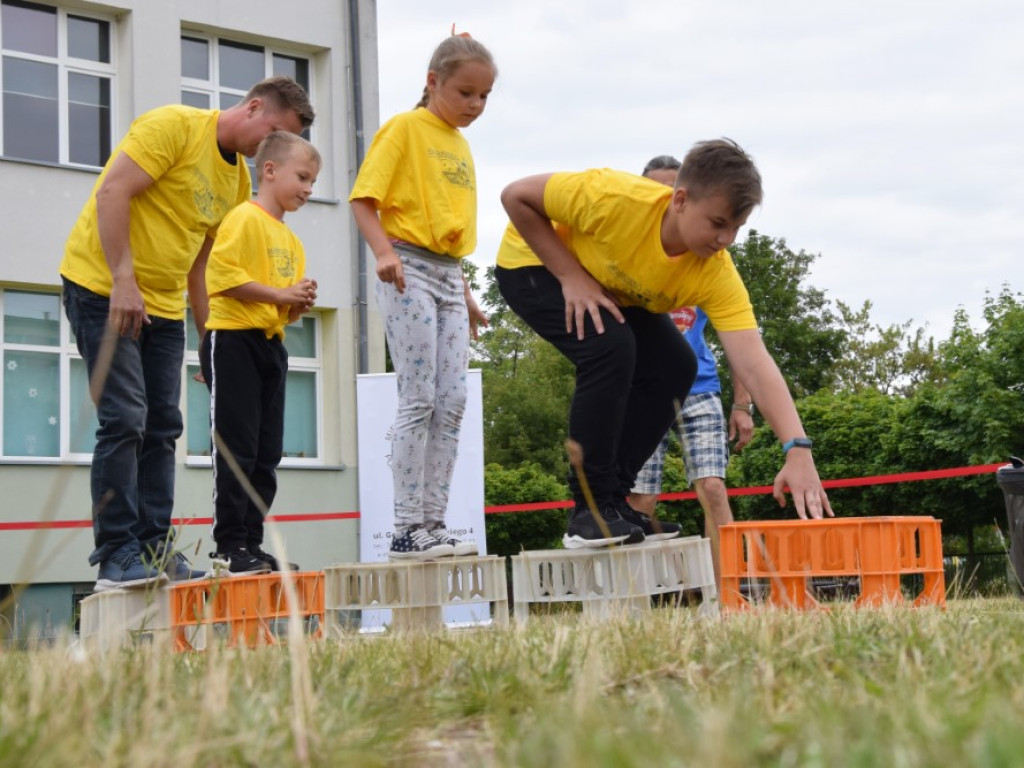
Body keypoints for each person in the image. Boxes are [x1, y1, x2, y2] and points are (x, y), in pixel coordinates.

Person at [495, 138, 832, 550]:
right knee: (612, 347)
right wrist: (569, 275)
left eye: (736, 228)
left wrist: (798, 449)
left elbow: (753, 361)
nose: (726, 239)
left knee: (676, 364)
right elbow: (516, 196)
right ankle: (589, 510)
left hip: (604, 285)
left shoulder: (714, 272)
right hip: (533, 262)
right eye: (717, 222)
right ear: (681, 200)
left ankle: (613, 502)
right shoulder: (614, 198)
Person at [61, 77, 315, 591]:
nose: (269, 148)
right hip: (101, 286)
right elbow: (113, 191)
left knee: (164, 426)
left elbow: (203, 265)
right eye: (272, 132)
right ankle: (116, 553)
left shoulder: (237, 184)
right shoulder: (173, 126)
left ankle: (155, 549)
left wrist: (209, 339)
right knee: (125, 418)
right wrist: (123, 280)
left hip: (164, 305)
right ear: (253, 106)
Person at [349, 33, 495, 561]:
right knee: (420, 397)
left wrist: (466, 293)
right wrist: (383, 252)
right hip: (406, 269)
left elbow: (447, 228)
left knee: (453, 401)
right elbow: (364, 201)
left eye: (484, 96)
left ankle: (434, 523)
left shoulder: (461, 144)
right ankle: (407, 527)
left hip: (449, 276)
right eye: (465, 93)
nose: (475, 105)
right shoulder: (406, 129)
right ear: (432, 83)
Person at [626, 155, 754, 578]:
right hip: (642, 390)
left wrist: (744, 404)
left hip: (699, 388)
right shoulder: (628, 251)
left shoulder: (706, 259)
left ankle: (732, 592)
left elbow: (741, 338)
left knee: (714, 489)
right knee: (639, 498)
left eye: (669, 189)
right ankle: (634, 600)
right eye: (653, 191)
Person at [199, 131, 320, 575]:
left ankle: (251, 542)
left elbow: (280, 310)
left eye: (313, 182)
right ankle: (228, 545)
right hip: (232, 341)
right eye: (303, 177)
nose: (308, 189)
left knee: (267, 454)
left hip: (272, 346)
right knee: (237, 448)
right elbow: (223, 281)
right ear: (269, 171)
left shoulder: (290, 239)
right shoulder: (242, 219)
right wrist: (281, 292)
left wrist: (295, 303)